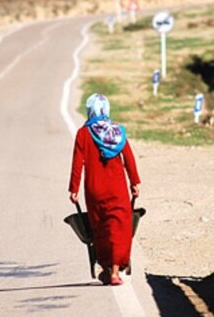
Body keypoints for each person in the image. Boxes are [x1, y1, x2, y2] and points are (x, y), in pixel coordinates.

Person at [68, 93, 141, 286]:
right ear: (106, 110)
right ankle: (116, 269)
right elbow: (129, 159)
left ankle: (107, 268)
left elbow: (77, 163)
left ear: (90, 111)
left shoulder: (83, 134)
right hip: (117, 189)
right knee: (119, 227)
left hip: (94, 189)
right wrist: (134, 183)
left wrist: (73, 188)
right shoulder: (118, 132)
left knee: (100, 228)